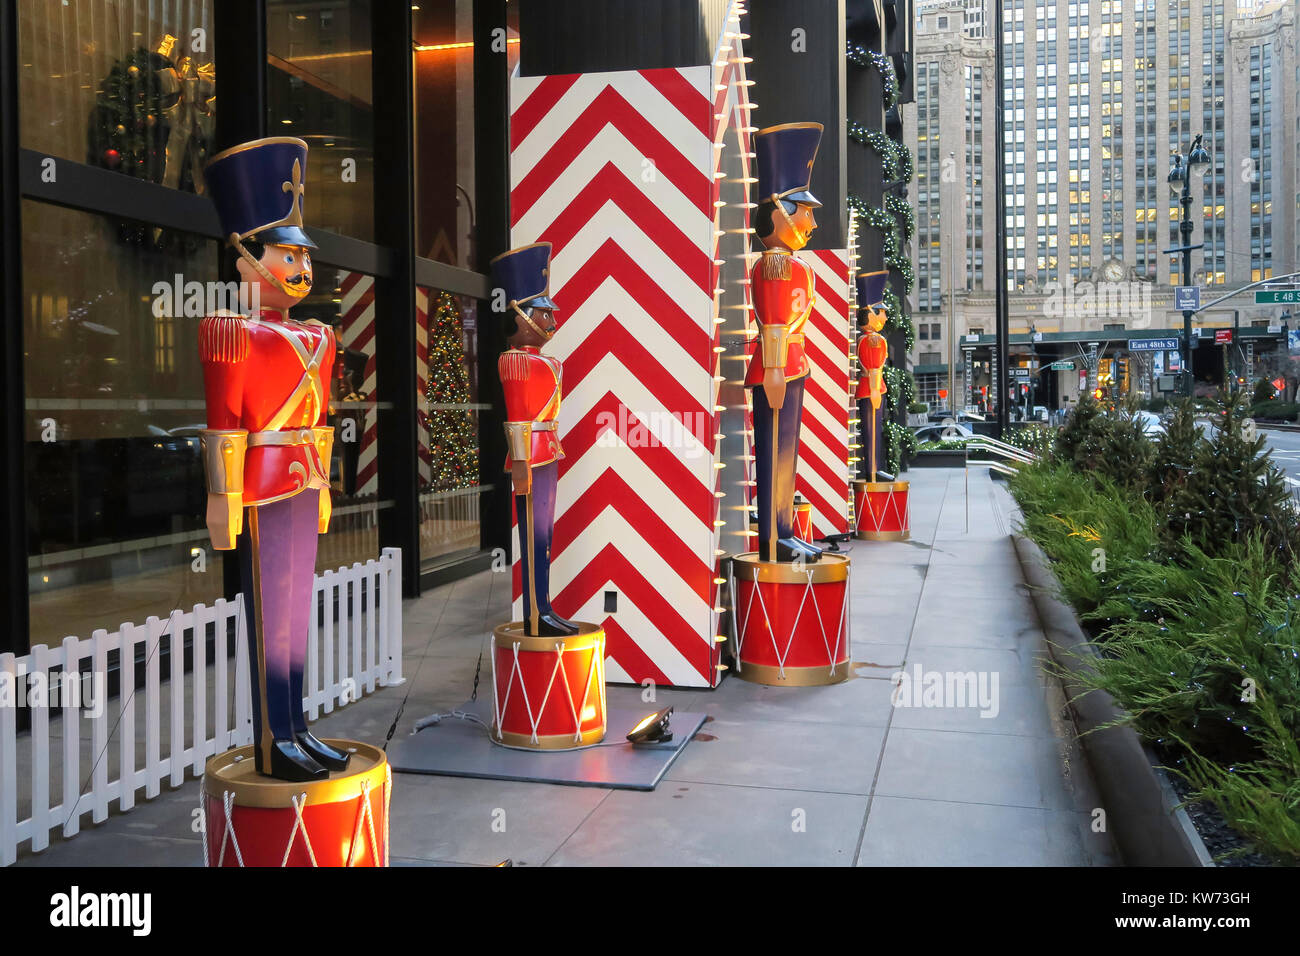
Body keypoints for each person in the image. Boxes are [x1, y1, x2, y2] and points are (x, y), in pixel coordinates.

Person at [199, 136, 349, 781]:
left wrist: (325, 483)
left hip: (305, 479)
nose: (299, 266)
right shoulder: (231, 332)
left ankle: (296, 725)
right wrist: (220, 497)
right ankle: (272, 737)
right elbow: (224, 427)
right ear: (245, 260)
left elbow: (319, 418)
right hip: (261, 484)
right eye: (285, 254)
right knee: (271, 614)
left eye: (301, 254)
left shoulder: (321, 335)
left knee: (296, 613)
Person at [744, 123, 825, 564]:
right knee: (775, 452)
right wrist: (774, 369)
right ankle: (775, 539)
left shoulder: (788, 265)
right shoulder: (777, 265)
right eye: (804, 211)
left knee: (784, 453)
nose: (812, 222)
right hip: (778, 368)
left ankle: (784, 530)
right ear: (779, 212)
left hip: (790, 366)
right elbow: (774, 323)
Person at [493, 243, 579, 637]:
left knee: (544, 535)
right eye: (542, 312)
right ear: (519, 315)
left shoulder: (546, 360)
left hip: (549, 449)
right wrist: (522, 462)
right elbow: (516, 419)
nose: (550, 320)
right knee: (532, 535)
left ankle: (544, 606)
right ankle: (534, 614)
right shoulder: (515, 359)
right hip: (532, 454)